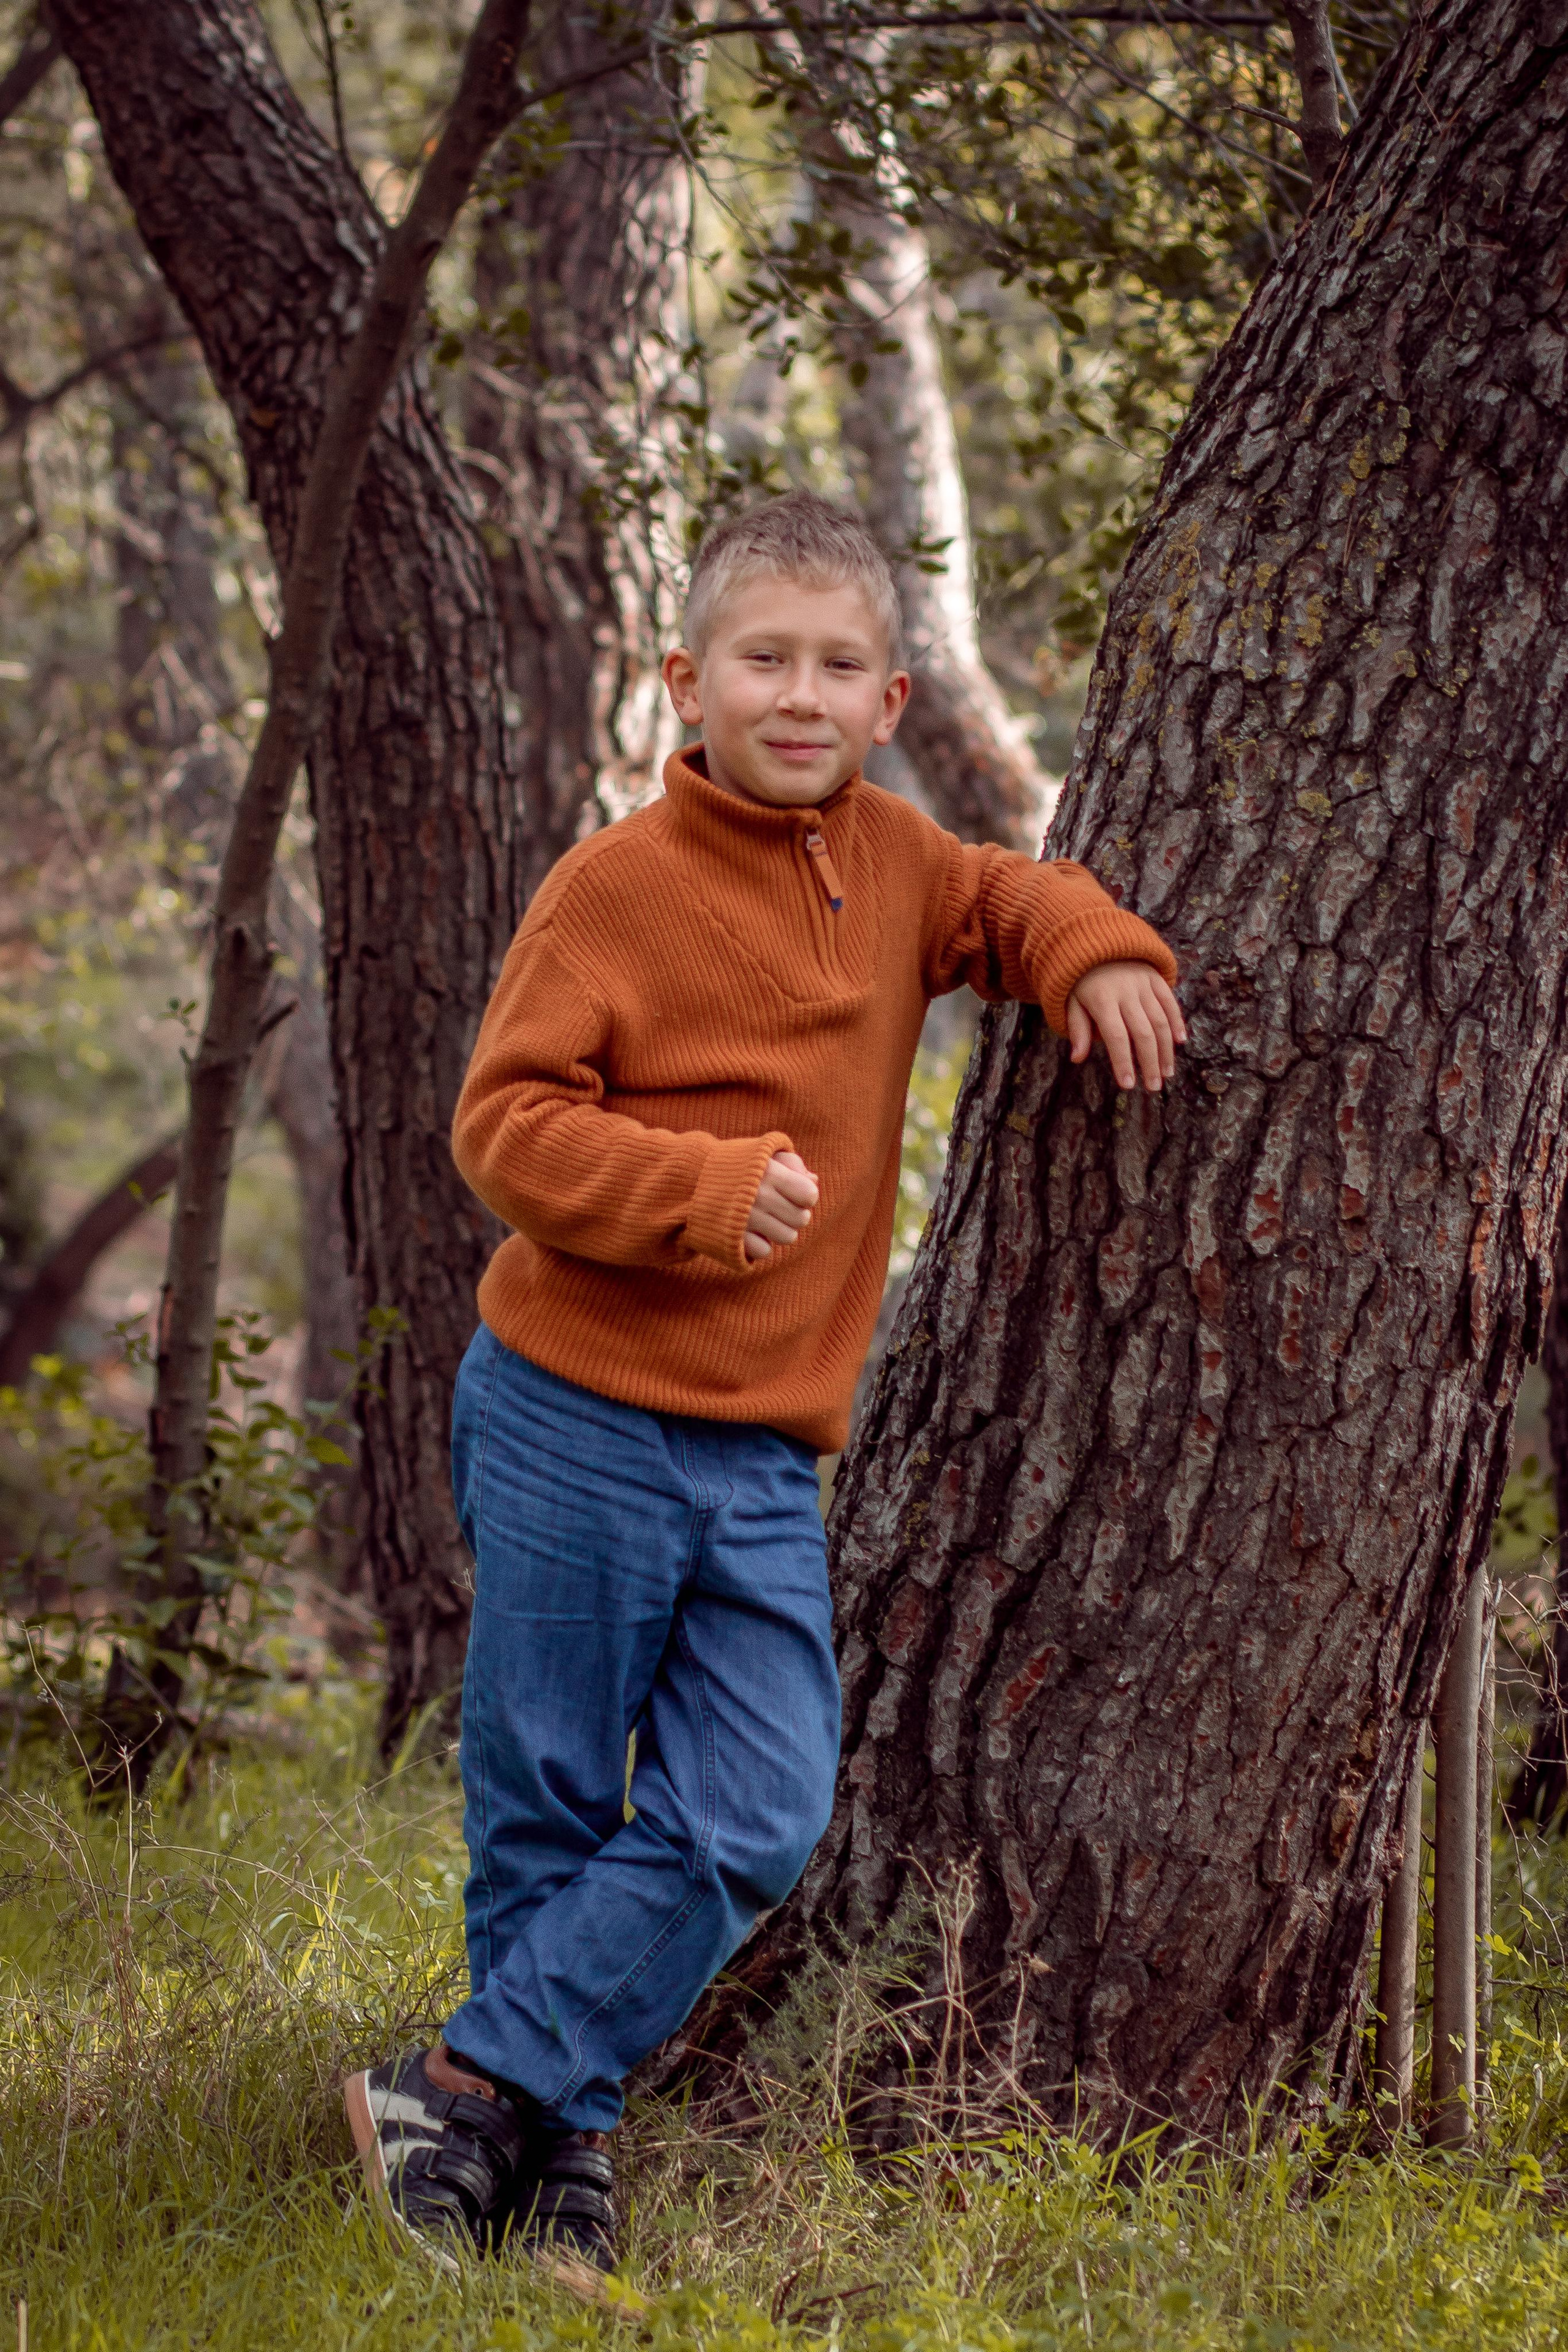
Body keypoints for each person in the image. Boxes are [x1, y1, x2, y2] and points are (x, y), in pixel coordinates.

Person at [344, 489, 1184, 2286]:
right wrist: (701, 1190)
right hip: (573, 1402)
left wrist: (1099, 947)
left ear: (890, 701)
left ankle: (471, 2079)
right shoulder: (617, 888)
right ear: (688, 682)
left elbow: (1007, 898)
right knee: (553, 1791)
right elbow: (504, 1123)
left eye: (837, 665)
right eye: (763, 659)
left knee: (760, 1808)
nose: (798, 694)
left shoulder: (897, 865)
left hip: (755, 1457)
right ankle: (555, 2162)